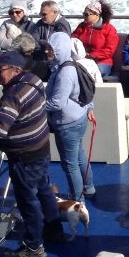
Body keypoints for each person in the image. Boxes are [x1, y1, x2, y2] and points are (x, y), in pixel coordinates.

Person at [0, 50, 64, 257]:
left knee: (27, 201)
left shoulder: (13, 95)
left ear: (15, 70)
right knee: (44, 190)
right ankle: (54, 230)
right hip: (41, 149)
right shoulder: (34, 80)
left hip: (24, 158)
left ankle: (33, 247)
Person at [46, 32, 96, 201]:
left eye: (50, 49)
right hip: (78, 118)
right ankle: (88, 188)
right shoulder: (70, 65)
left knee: (70, 165)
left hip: (67, 124)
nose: (47, 52)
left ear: (59, 50)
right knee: (79, 155)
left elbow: (57, 103)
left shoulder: (65, 73)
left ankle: (77, 199)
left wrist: (36, 107)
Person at [73, 0, 119, 78]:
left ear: (97, 15)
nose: (84, 16)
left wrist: (91, 55)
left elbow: (109, 51)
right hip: (82, 60)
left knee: (89, 74)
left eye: (86, 14)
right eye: (83, 14)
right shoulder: (82, 27)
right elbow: (73, 40)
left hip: (102, 62)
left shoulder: (109, 29)